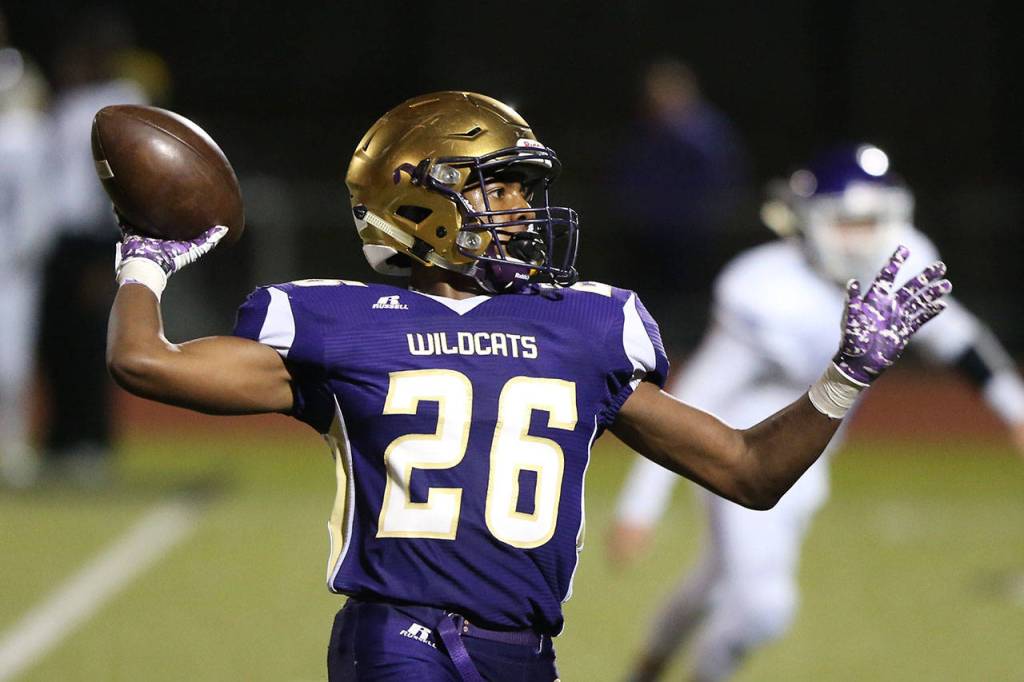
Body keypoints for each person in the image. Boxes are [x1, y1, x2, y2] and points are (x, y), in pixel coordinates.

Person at [106, 95, 950, 682]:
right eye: (496, 186)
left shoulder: (581, 330)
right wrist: (147, 260)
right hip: (398, 641)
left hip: (525, 652)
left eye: (523, 189)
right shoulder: (344, 323)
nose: (519, 208)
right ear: (415, 200)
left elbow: (747, 471)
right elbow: (146, 363)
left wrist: (847, 377)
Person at [608, 142, 1024, 682]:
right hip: (743, 444)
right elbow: (694, 399)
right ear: (810, 220)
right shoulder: (765, 287)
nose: (863, 235)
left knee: (714, 581)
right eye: (847, 221)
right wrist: (641, 505)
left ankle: (646, 667)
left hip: (810, 458)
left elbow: (958, 340)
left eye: (874, 220)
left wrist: (1014, 409)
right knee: (763, 607)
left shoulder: (901, 262)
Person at [36, 7, 148, 483]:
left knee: (89, 342)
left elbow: (123, 182)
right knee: (56, 341)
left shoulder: (121, 99)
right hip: (56, 241)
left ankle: (91, 441)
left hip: (95, 237)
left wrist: (114, 249)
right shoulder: (66, 104)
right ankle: (60, 439)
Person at [610, 58, 750, 353]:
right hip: (647, 236)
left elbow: (722, 181)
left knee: (691, 312)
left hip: (693, 237)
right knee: (649, 306)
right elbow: (627, 177)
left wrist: (708, 218)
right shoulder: (645, 131)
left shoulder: (705, 132)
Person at [0, 11, 52, 487]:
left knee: (10, 362)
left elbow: (33, 195)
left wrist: (25, 250)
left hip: (8, 260)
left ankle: (12, 447)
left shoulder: (16, 76)